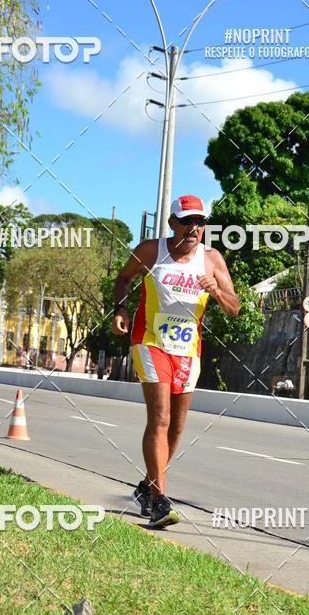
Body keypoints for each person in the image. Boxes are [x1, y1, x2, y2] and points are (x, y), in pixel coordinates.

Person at [112, 194, 240, 528]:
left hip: (188, 350)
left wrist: (216, 290)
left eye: (200, 222)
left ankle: (146, 487)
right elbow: (123, 278)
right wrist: (121, 309)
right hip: (150, 342)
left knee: (177, 427)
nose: (195, 228)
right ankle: (158, 501)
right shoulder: (151, 251)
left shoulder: (211, 260)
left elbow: (234, 307)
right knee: (161, 417)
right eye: (187, 221)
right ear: (172, 223)